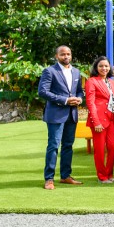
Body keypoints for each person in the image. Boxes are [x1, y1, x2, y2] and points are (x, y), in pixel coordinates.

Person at [38, 46, 85, 189]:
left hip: (71, 114)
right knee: (53, 146)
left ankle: (65, 176)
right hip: (56, 115)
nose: (66, 56)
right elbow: (42, 91)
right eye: (62, 54)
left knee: (68, 146)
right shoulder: (49, 71)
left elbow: (79, 91)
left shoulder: (76, 71)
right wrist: (65, 100)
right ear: (56, 56)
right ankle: (49, 179)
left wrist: (79, 99)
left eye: (68, 54)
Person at [85, 56, 114, 183]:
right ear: (96, 68)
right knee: (99, 150)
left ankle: (109, 173)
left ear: (109, 68)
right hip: (99, 120)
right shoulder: (92, 81)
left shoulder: (111, 82)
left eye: (106, 66)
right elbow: (90, 103)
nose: (104, 68)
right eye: (101, 66)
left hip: (112, 119)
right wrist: (96, 121)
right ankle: (102, 176)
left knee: (113, 147)